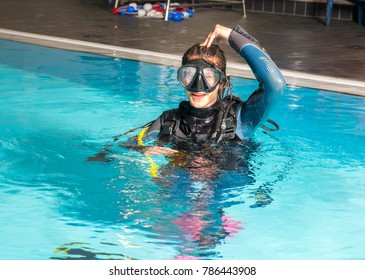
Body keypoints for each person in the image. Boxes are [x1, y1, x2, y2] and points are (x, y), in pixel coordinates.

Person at [138, 24, 286, 156]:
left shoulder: (241, 119)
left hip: (229, 186)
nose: (198, 85)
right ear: (181, 77)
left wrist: (231, 36)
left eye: (209, 77)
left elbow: (275, 84)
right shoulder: (168, 121)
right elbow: (129, 146)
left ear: (221, 82)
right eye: (189, 75)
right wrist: (145, 149)